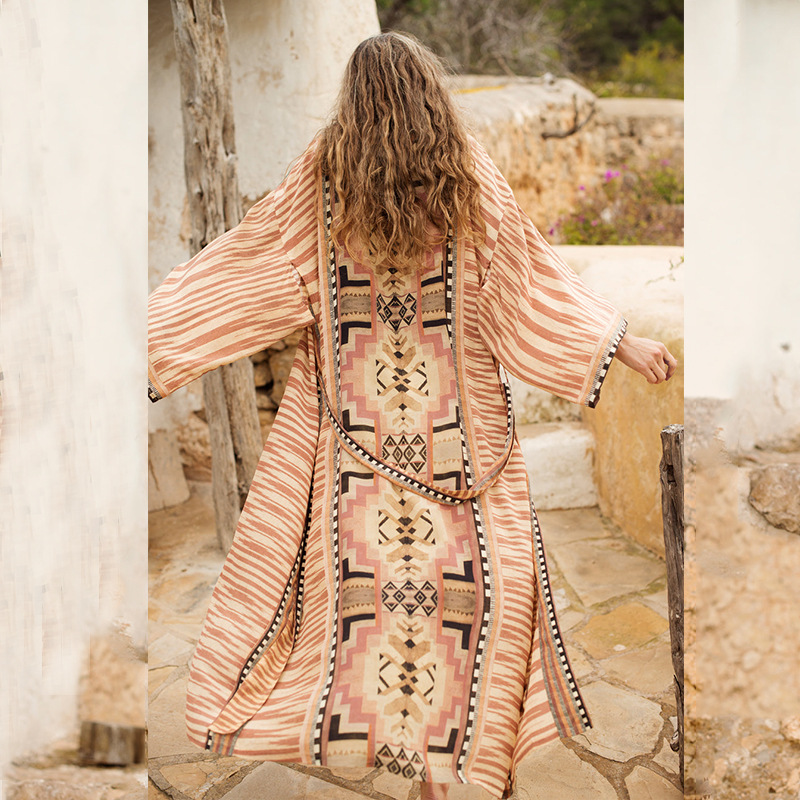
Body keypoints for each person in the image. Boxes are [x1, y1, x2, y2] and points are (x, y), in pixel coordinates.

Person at [147, 31, 677, 800]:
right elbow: (532, 279)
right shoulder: (468, 176)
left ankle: (409, 757)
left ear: (353, 102)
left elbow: (251, 260)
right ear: (430, 93)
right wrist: (620, 342)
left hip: (354, 460)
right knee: (485, 606)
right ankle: (470, 762)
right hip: (467, 452)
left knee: (370, 615)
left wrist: (148, 337)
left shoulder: (321, 181)